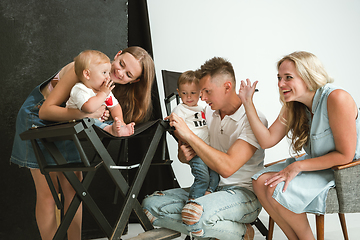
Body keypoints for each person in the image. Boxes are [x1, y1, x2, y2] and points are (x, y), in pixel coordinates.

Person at [10, 46, 155, 240]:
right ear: (118, 54)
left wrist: (111, 122)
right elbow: (46, 111)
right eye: (121, 64)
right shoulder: (82, 68)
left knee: (74, 188)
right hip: (37, 118)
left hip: (66, 123)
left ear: (134, 80)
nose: (119, 72)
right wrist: (87, 114)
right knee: (49, 193)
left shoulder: (106, 84)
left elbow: (95, 111)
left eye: (128, 74)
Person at [239, 51, 360, 240]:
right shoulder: (294, 105)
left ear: (308, 76)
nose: (280, 84)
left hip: (344, 171)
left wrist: (297, 166)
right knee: (259, 180)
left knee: (276, 188)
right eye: (279, 78)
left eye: (288, 78)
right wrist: (248, 103)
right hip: (318, 165)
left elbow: (345, 155)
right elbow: (267, 140)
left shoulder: (337, 98)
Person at [142, 57, 267, 240]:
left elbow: (226, 167)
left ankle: (239, 232)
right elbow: (188, 154)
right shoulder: (207, 112)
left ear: (227, 87)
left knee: (194, 213)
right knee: (148, 205)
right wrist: (183, 154)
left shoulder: (253, 119)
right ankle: (223, 228)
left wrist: (189, 136)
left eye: (207, 91)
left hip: (242, 193)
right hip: (210, 188)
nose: (202, 97)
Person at [172, 70, 219, 200]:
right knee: (202, 177)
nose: (189, 97)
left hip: (208, 149)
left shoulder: (203, 109)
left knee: (216, 173)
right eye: (184, 93)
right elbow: (177, 129)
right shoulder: (179, 109)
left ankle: (208, 194)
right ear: (179, 92)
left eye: (193, 93)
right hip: (195, 151)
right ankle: (193, 200)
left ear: (200, 92)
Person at [66, 50, 135, 137]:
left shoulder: (105, 91)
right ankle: (110, 129)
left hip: (94, 124)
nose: (108, 77)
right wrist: (103, 93)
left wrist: (120, 121)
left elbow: (114, 107)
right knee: (92, 123)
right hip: (74, 125)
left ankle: (120, 128)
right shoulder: (80, 89)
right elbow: (89, 108)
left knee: (112, 123)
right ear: (87, 74)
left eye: (108, 73)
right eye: (104, 73)